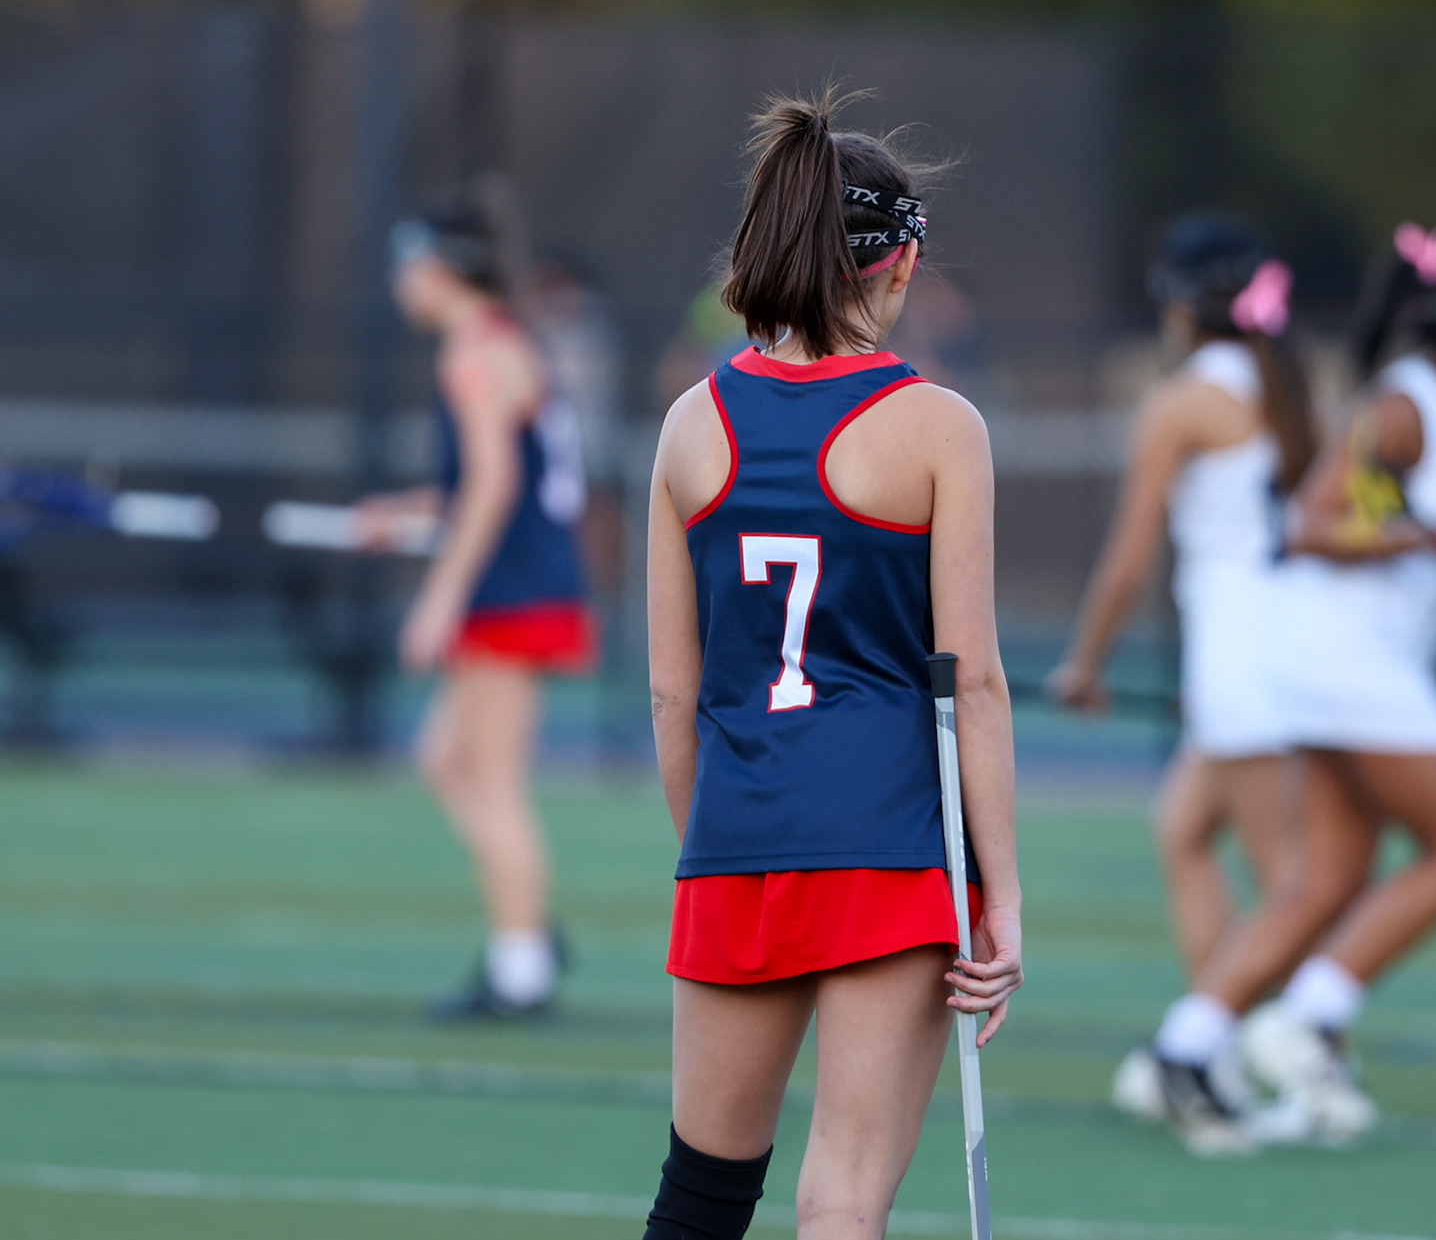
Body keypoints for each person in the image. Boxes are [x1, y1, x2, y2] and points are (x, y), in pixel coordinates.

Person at [643, 89, 1022, 1240]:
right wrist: (999, 888)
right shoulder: (938, 426)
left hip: (738, 836)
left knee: (700, 1200)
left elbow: (674, 689)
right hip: (888, 841)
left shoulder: (688, 426)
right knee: (843, 1195)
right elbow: (975, 679)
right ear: (898, 266)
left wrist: (716, 843)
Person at [1145, 225, 1436, 1151]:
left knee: (1326, 880)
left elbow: (1430, 527)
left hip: (1359, 661)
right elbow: (1314, 522)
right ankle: (1308, 1020)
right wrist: (1428, 543)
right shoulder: (1407, 407)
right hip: (1346, 658)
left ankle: (1188, 1043)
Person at [1045, 215, 1317, 1134]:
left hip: (1241, 658)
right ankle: (1224, 1048)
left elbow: (1128, 560)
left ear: (1179, 305)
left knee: (1293, 886)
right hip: (1271, 649)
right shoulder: (1283, 389)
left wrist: (1085, 662)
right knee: (1185, 831)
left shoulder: (1183, 402)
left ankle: (1296, 1053)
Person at [355, 180, 596, 1021]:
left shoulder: (475, 353)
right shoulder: (493, 343)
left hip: (510, 591)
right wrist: (406, 511)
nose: (400, 283)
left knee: (491, 780)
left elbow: (494, 488)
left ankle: (522, 965)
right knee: (444, 761)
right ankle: (523, 918)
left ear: (444, 268)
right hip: (518, 582)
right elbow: (482, 483)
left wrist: (438, 599)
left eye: (407, 265)